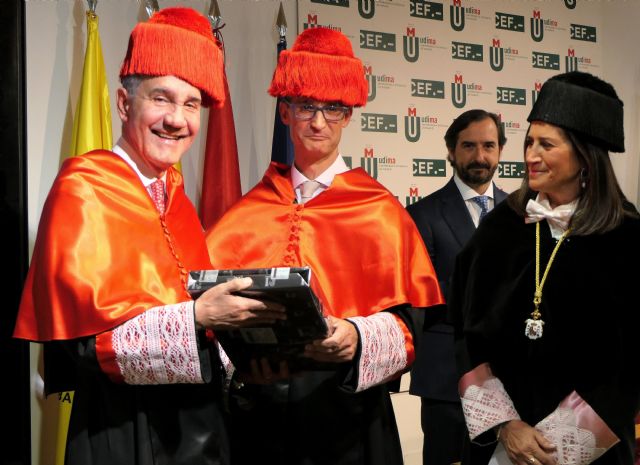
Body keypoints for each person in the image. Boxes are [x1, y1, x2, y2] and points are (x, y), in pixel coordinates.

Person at [14, 7, 284, 465]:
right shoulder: (83, 187)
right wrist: (196, 316)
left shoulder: (178, 202)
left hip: (200, 433)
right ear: (124, 104)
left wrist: (242, 361)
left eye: (191, 104)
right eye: (161, 99)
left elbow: (201, 341)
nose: (177, 120)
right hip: (121, 430)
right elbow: (76, 347)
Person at [205, 27, 444, 465]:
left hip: (349, 423)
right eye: (306, 107)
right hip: (259, 426)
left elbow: (411, 327)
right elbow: (209, 319)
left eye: (333, 109)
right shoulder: (245, 213)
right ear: (285, 112)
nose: (318, 122)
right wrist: (239, 366)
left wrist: (355, 337)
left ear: (349, 115)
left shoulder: (380, 211)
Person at [449, 71, 640, 465]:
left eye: (547, 145)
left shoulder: (627, 237)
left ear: (585, 156)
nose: (530, 156)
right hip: (502, 447)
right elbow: (466, 335)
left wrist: (557, 447)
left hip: (588, 450)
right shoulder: (500, 228)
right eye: (529, 142)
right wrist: (506, 427)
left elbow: (630, 365)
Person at [407, 109, 508, 465]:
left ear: (500, 151)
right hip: (446, 376)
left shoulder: (522, 213)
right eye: (468, 146)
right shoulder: (422, 214)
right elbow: (426, 296)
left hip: (510, 376)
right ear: (451, 151)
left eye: (488, 146)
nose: (479, 157)